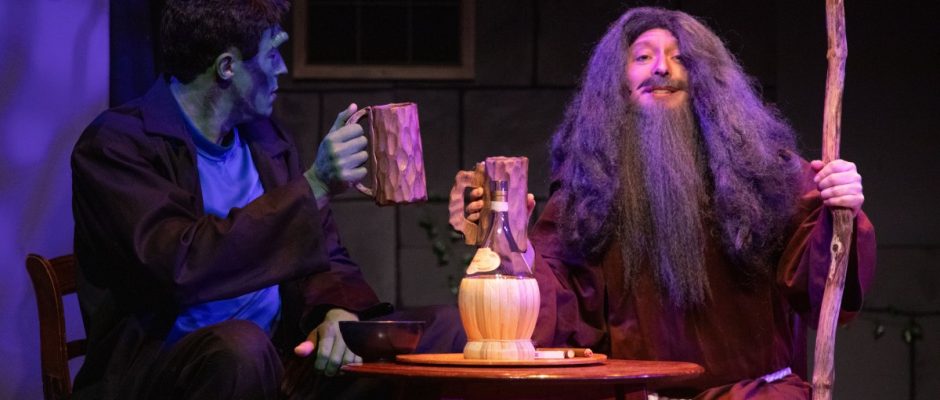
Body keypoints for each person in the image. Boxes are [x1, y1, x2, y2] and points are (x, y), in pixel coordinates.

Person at [461, 7, 875, 399]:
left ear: (707, 82)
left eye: (680, 58)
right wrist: (512, 239)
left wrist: (840, 205)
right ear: (616, 85)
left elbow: (822, 284)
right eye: (643, 57)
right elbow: (553, 313)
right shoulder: (588, 193)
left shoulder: (767, 173)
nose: (661, 68)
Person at [71, 0, 391, 398]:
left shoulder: (267, 141)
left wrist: (337, 312)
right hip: (165, 371)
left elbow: (322, 250)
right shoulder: (117, 146)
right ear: (227, 67)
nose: (282, 69)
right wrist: (313, 186)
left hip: (278, 359)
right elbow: (178, 265)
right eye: (271, 54)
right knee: (241, 349)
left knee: (421, 337)